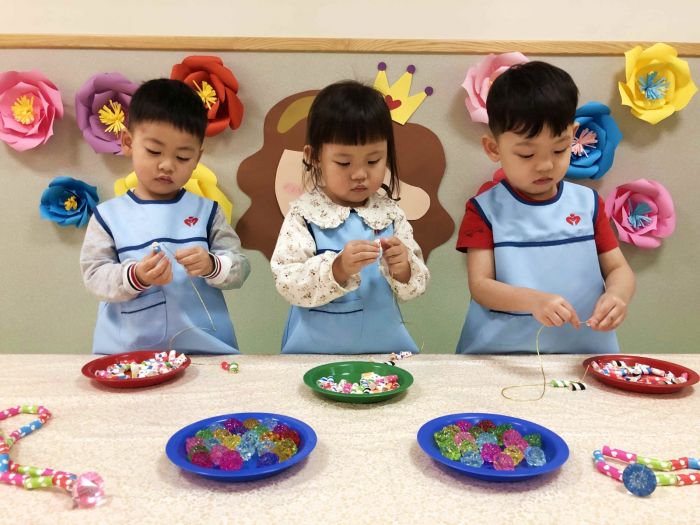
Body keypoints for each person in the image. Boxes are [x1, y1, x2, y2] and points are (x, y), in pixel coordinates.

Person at [455, 61, 635, 354]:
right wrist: (533, 301)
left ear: (573, 135)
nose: (545, 165)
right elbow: (481, 285)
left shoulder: (588, 204)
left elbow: (618, 268)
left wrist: (618, 295)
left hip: (583, 354)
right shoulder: (484, 210)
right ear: (493, 148)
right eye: (527, 154)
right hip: (502, 356)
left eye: (559, 149)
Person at [80, 78, 250, 355]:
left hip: (205, 351)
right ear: (128, 142)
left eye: (182, 157)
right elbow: (94, 275)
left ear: (197, 158)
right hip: (128, 355)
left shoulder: (207, 212)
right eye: (154, 151)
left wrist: (213, 265)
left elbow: (240, 268)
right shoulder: (108, 217)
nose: (167, 165)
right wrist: (135, 275)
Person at [271, 80, 429, 354]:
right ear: (314, 156)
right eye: (344, 162)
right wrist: (337, 268)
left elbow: (415, 287)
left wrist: (403, 267)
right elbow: (287, 282)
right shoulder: (304, 214)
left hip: (383, 349)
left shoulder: (391, 214)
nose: (360, 174)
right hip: (314, 352)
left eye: (373, 161)